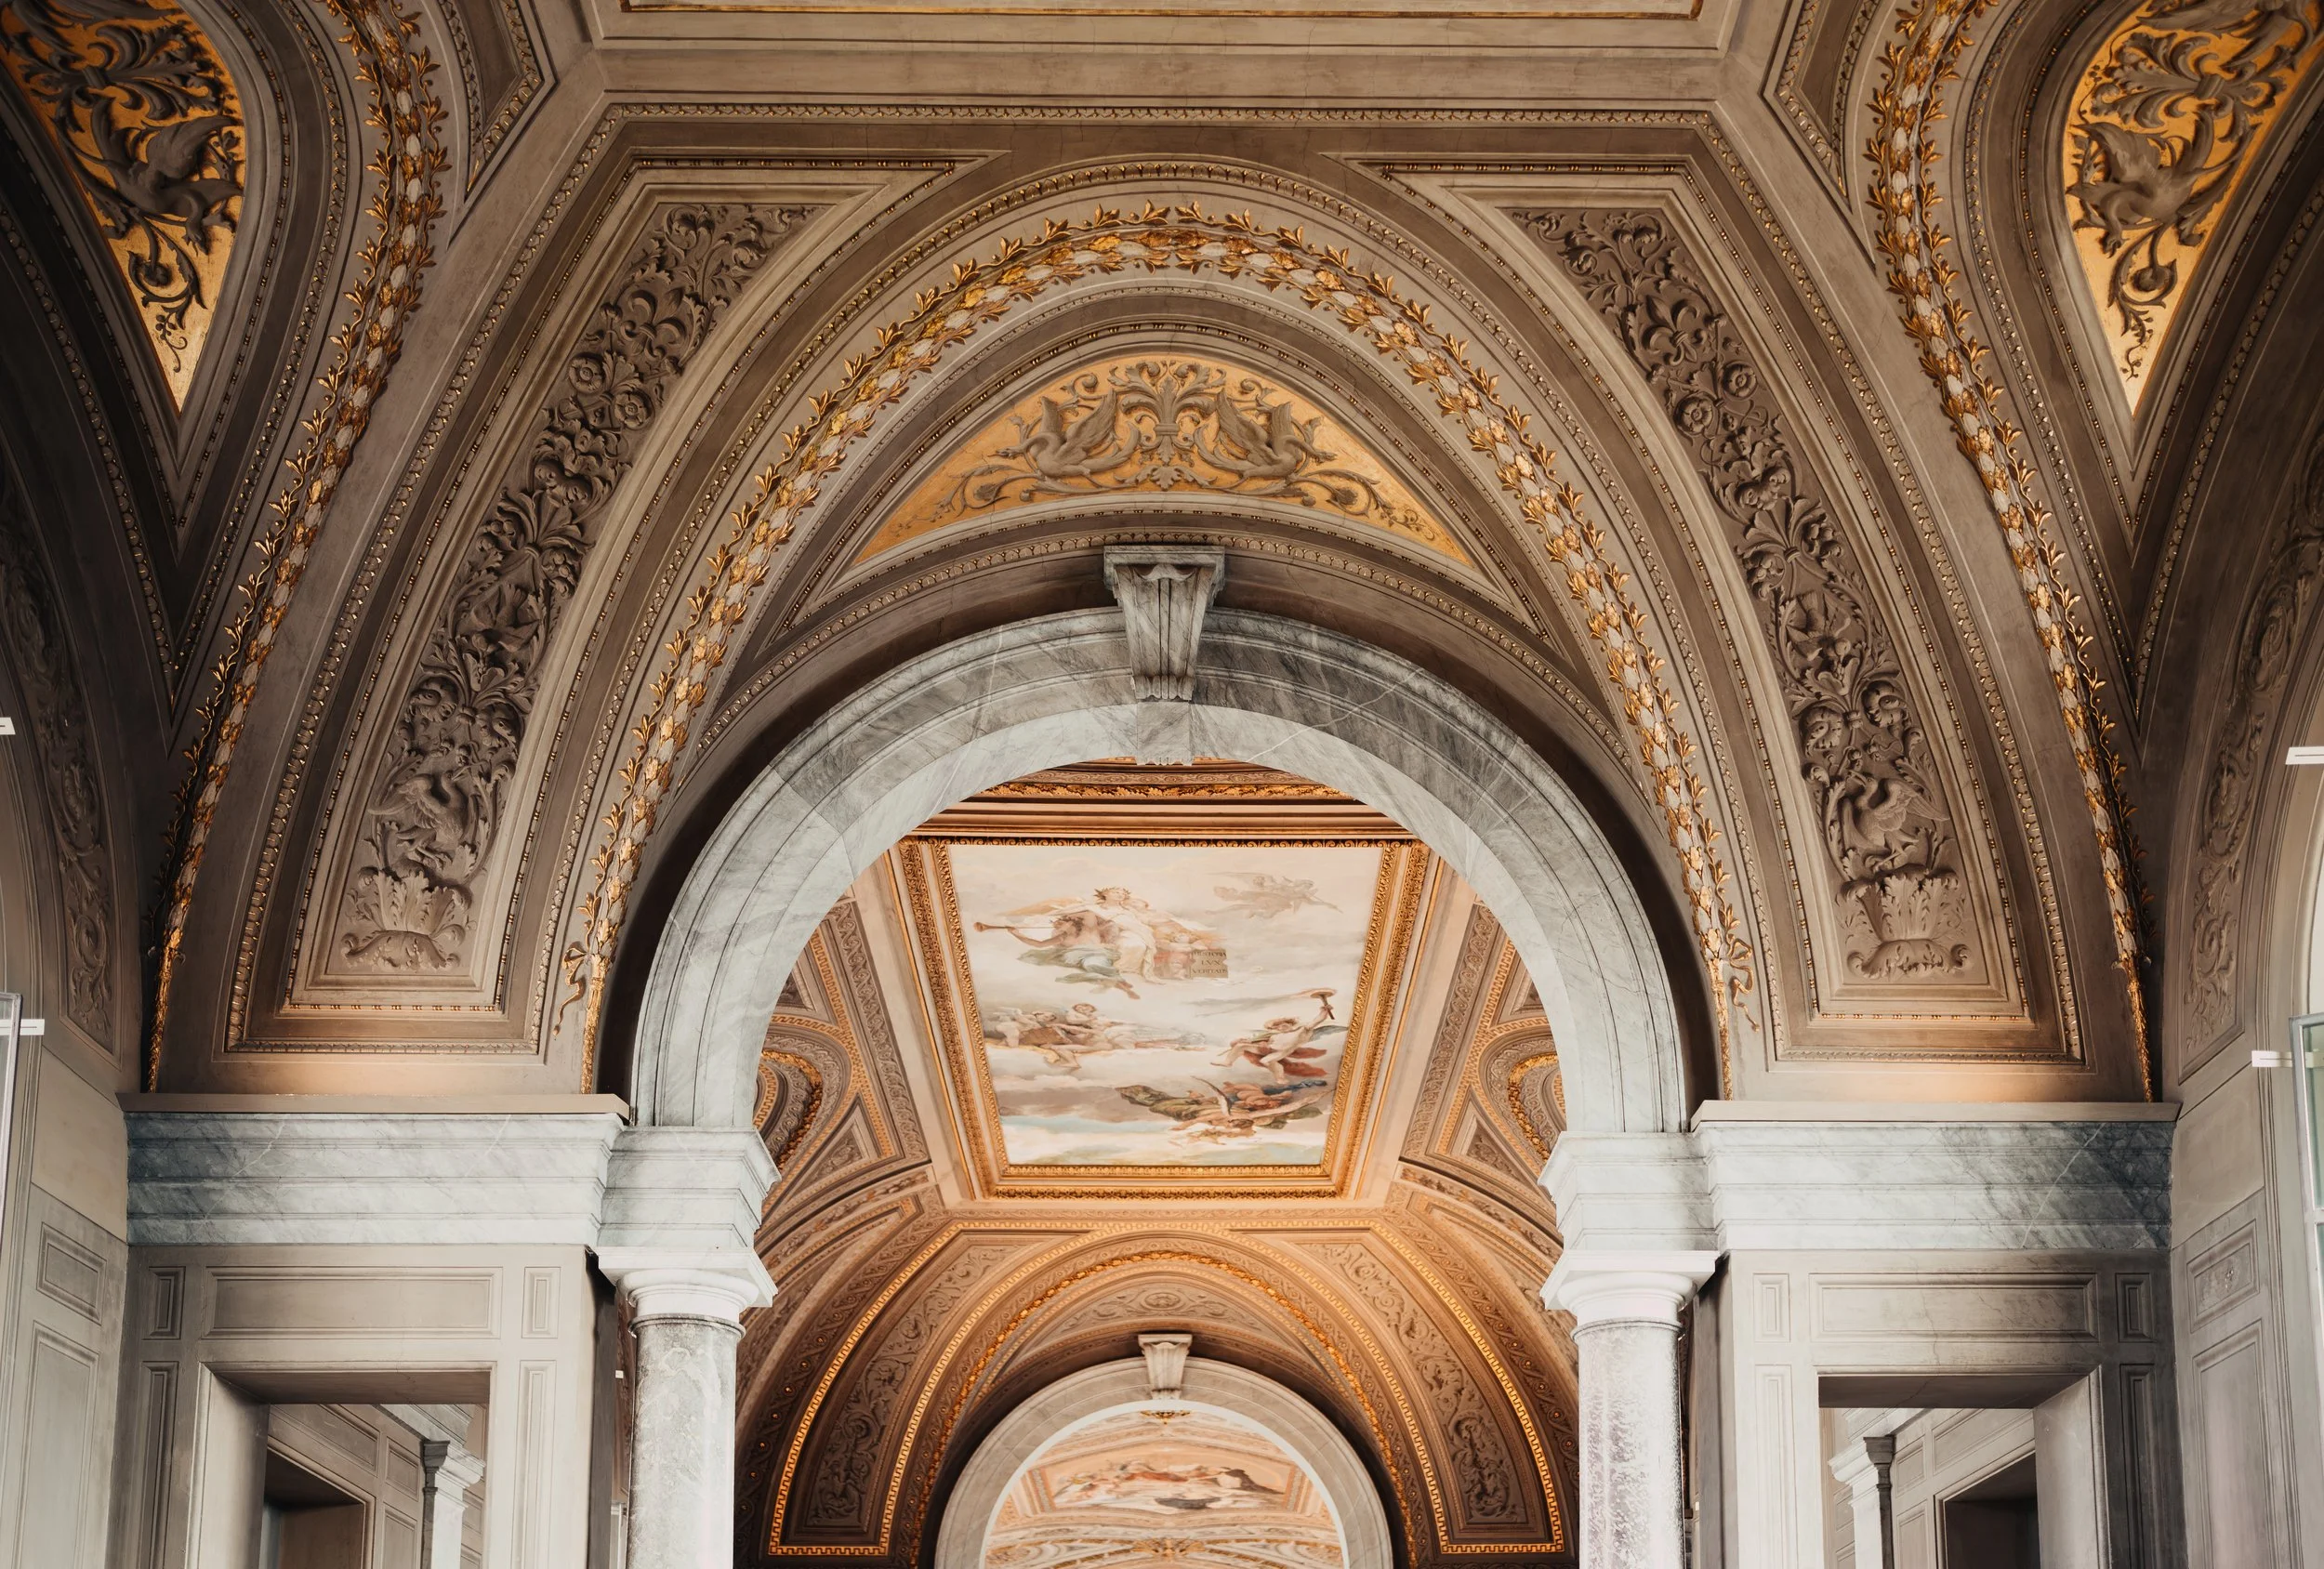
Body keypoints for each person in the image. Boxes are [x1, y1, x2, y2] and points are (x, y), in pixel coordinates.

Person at [1213, 989, 1337, 1078]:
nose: (1280, 1027)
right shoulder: (1275, 1035)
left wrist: (1324, 1011)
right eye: (1277, 1026)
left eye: (1283, 1024)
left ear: (1290, 1024)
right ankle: (1228, 1062)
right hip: (1270, 1049)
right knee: (1240, 1046)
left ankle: (1280, 1078)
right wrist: (1261, 1044)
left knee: (1266, 1061)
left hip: (1282, 1052)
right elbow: (1267, 1043)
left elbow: (1317, 1021)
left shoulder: (1301, 1030)